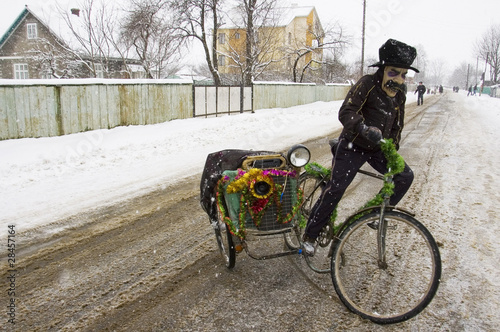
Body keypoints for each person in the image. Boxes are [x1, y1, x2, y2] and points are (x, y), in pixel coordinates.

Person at [302, 39, 418, 256]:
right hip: (352, 145)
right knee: (336, 189)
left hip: (377, 149)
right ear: (383, 70)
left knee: (405, 176)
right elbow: (346, 112)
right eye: (394, 73)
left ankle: (376, 215)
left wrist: (392, 147)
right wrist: (364, 128)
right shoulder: (367, 84)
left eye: (404, 75)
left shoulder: (400, 95)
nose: (399, 80)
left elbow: (397, 125)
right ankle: (310, 235)